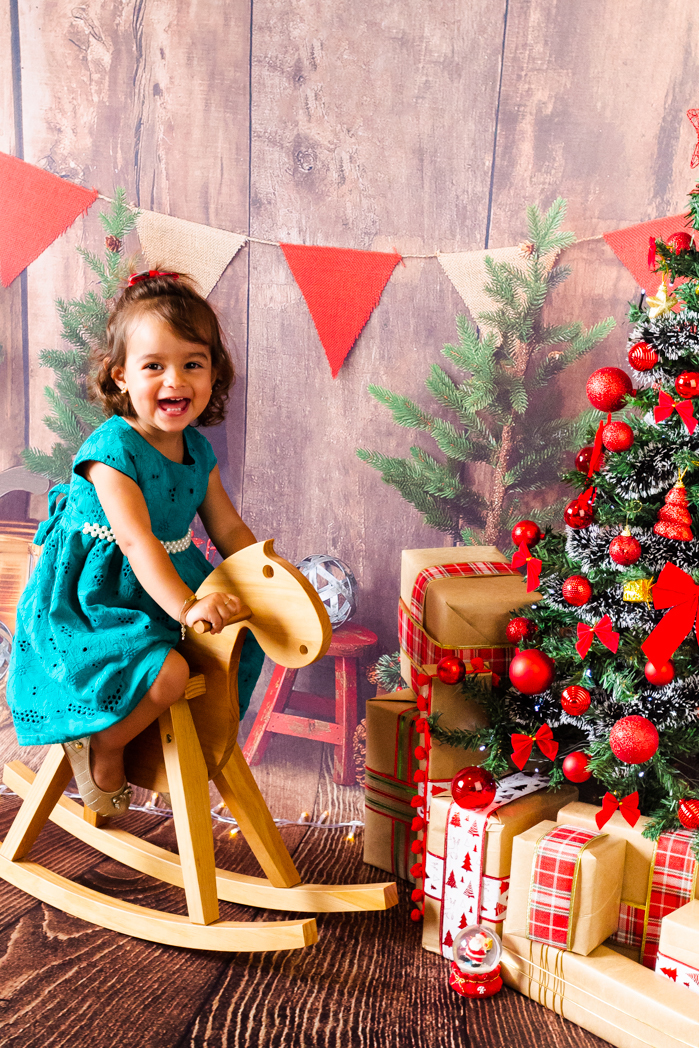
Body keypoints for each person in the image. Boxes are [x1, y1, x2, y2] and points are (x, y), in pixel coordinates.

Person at [6, 270, 264, 817]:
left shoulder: (197, 450)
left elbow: (228, 529)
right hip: (95, 597)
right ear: (120, 375)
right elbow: (137, 541)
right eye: (154, 366)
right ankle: (107, 742)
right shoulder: (112, 450)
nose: (176, 380)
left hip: (165, 585)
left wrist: (268, 577)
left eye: (193, 364)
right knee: (169, 674)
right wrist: (189, 607)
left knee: (237, 644)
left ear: (214, 373)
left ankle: (185, 748)